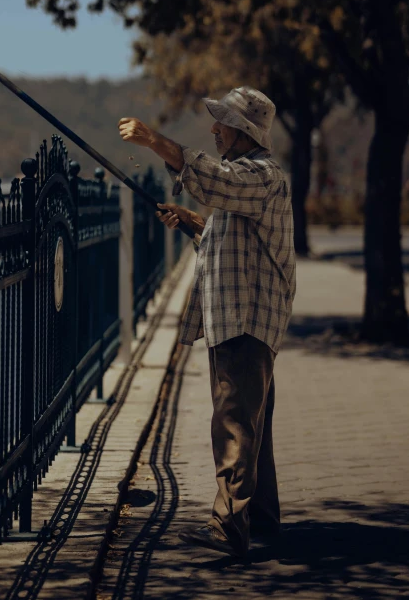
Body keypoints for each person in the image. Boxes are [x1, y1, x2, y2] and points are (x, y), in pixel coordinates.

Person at [118, 86, 296, 558]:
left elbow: (218, 182)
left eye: (223, 123)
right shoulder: (250, 179)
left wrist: (156, 141)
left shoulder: (261, 175)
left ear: (243, 133)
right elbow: (236, 231)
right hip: (243, 316)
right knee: (252, 419)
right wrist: (196, 223)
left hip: (246, 318)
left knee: (234, 420)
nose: (214, 129)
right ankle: (260, 515)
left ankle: (229, 526)